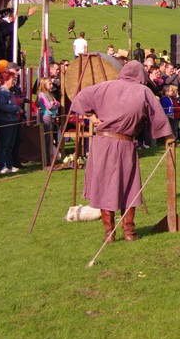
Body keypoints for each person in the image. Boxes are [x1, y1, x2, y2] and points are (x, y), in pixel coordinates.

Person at [69, 60, 173, 243]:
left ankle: (111, 234)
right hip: (121, 143)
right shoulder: (143, 91)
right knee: (128, 186)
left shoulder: (104, 86)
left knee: (105, 186)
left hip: (103, 144)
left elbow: (79, 97)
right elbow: (158, 116)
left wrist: (92, 117)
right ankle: (127, 232)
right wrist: (169, 137)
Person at [0, 71, 22, 174]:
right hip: (6, 120)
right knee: (4, 144)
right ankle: (2, 165)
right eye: (12, 79)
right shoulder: (2, 92)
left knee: (10, 144)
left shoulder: (10, 92)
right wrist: (16, 108)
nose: (13, 81)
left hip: (14, 120)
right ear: (6, 80)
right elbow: (3, 106)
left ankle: (9, 165)